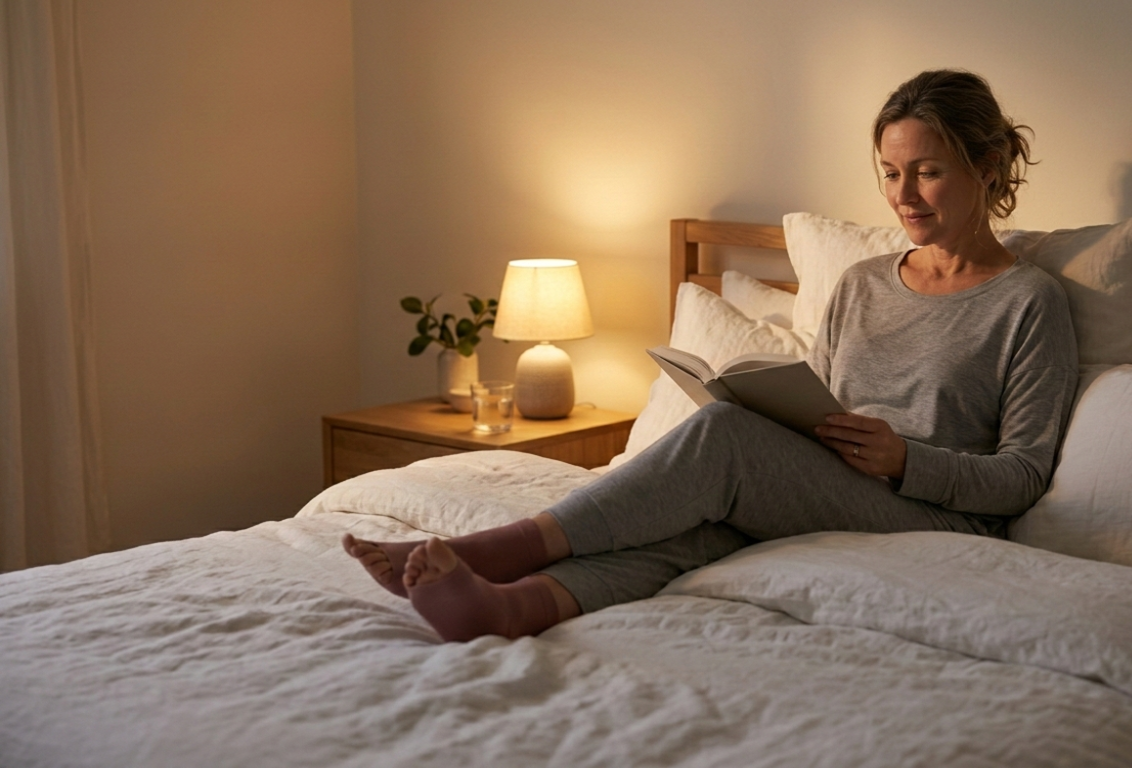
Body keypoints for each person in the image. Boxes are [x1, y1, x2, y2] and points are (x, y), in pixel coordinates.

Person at [343, 69, 1079, 643]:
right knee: (695, 526)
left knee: (724, 449)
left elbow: (1022, 477)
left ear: (987, 166)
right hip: (836, 486)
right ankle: (513, 608)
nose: (904, 195)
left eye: (928, 171)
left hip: (936, 517)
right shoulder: (860, 285)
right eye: (890, 172)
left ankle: (492, 552)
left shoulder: (1027, 302)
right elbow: (820, 405)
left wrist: (904, 461)